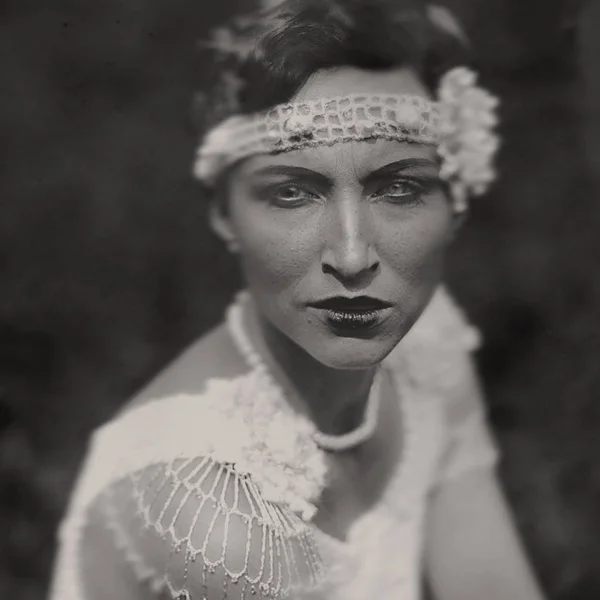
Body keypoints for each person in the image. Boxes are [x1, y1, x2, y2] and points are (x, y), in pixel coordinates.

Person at [49, 1, 547, 599]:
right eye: (291, 192)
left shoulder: (430, 345)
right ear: (222, 212)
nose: (353, 254)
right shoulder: (207, 505)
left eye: (401, 187)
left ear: (457, 202)